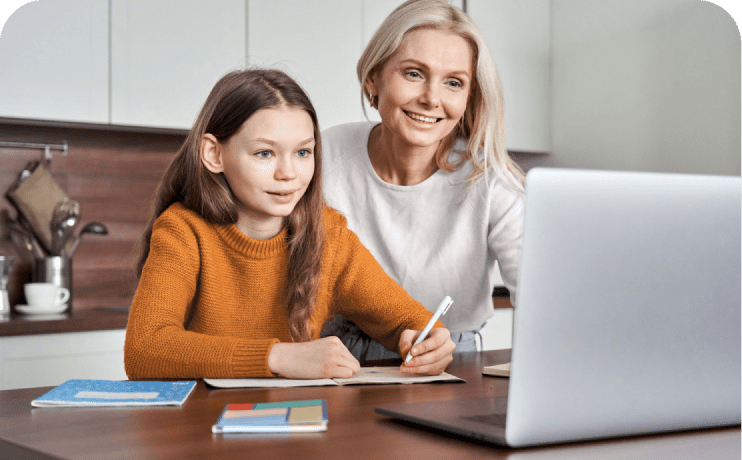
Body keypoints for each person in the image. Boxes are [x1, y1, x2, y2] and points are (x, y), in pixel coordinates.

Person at [124, 68, 455, 380]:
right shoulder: (184, 231)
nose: (288, 174)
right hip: (202, 428)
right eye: (265, 154)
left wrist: (431, 342)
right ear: (214, 154)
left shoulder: (329, 235)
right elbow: (145, 349)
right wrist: (280, 357)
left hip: (296, 424)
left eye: (302, 153)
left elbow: (410, 320)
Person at [321, 0, 525, 359]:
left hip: (456, 361)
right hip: (334, 355)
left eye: (453, 82)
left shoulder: (492, 179)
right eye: (414, 73)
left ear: (468, 97)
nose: (432, 99)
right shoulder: (325, 154)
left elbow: (537, 296)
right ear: (373, 78)